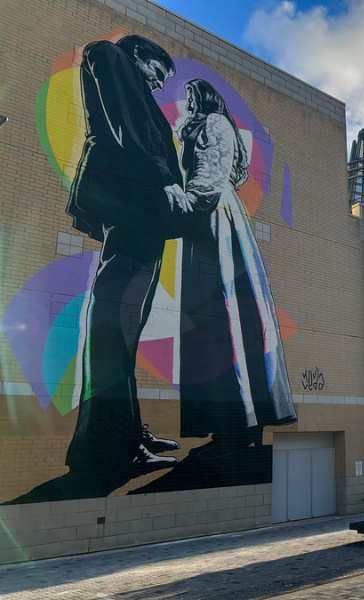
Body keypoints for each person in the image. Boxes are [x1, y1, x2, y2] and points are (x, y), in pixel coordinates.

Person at [65, 35, 190, 478]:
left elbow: (136, 116)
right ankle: (110, 446)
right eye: (160, 74)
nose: (159, 86)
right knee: (114, 327)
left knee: (124, 330)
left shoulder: (131, 76)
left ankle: (126, 432)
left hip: (141, 215)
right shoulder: (109, 53)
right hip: (134, 208)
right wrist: (163, 179)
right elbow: (126, 120)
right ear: (142, 54)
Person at [175, 79, 296, 459]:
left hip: (213, 216)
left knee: (226, 307)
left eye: (192, 97)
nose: (187, 103)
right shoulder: (201, 126)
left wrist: (186, 204)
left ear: (206, 98)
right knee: (209, 316)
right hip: (207, 218)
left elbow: (211, 175)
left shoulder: (215, 124)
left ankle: (242, 415)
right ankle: (229, 416)